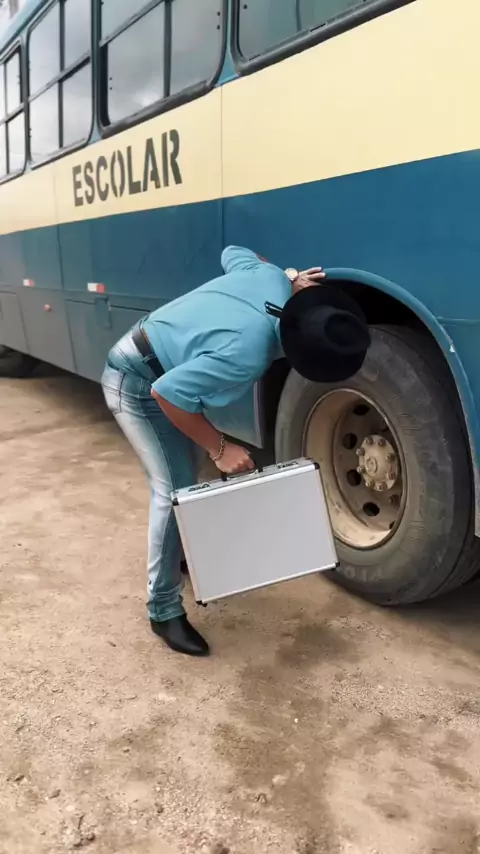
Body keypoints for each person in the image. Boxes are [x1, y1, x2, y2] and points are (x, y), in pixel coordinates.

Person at [101, 247, 370, 657]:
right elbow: (166, 394)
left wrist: (290, 277)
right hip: (136, 382)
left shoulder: (273, 279)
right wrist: (220, 447)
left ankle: (182, 554)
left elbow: (234, 253)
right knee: (175, 489)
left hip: (154, 359)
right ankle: (163, 610)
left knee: (185, 474)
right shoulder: (248, 353)